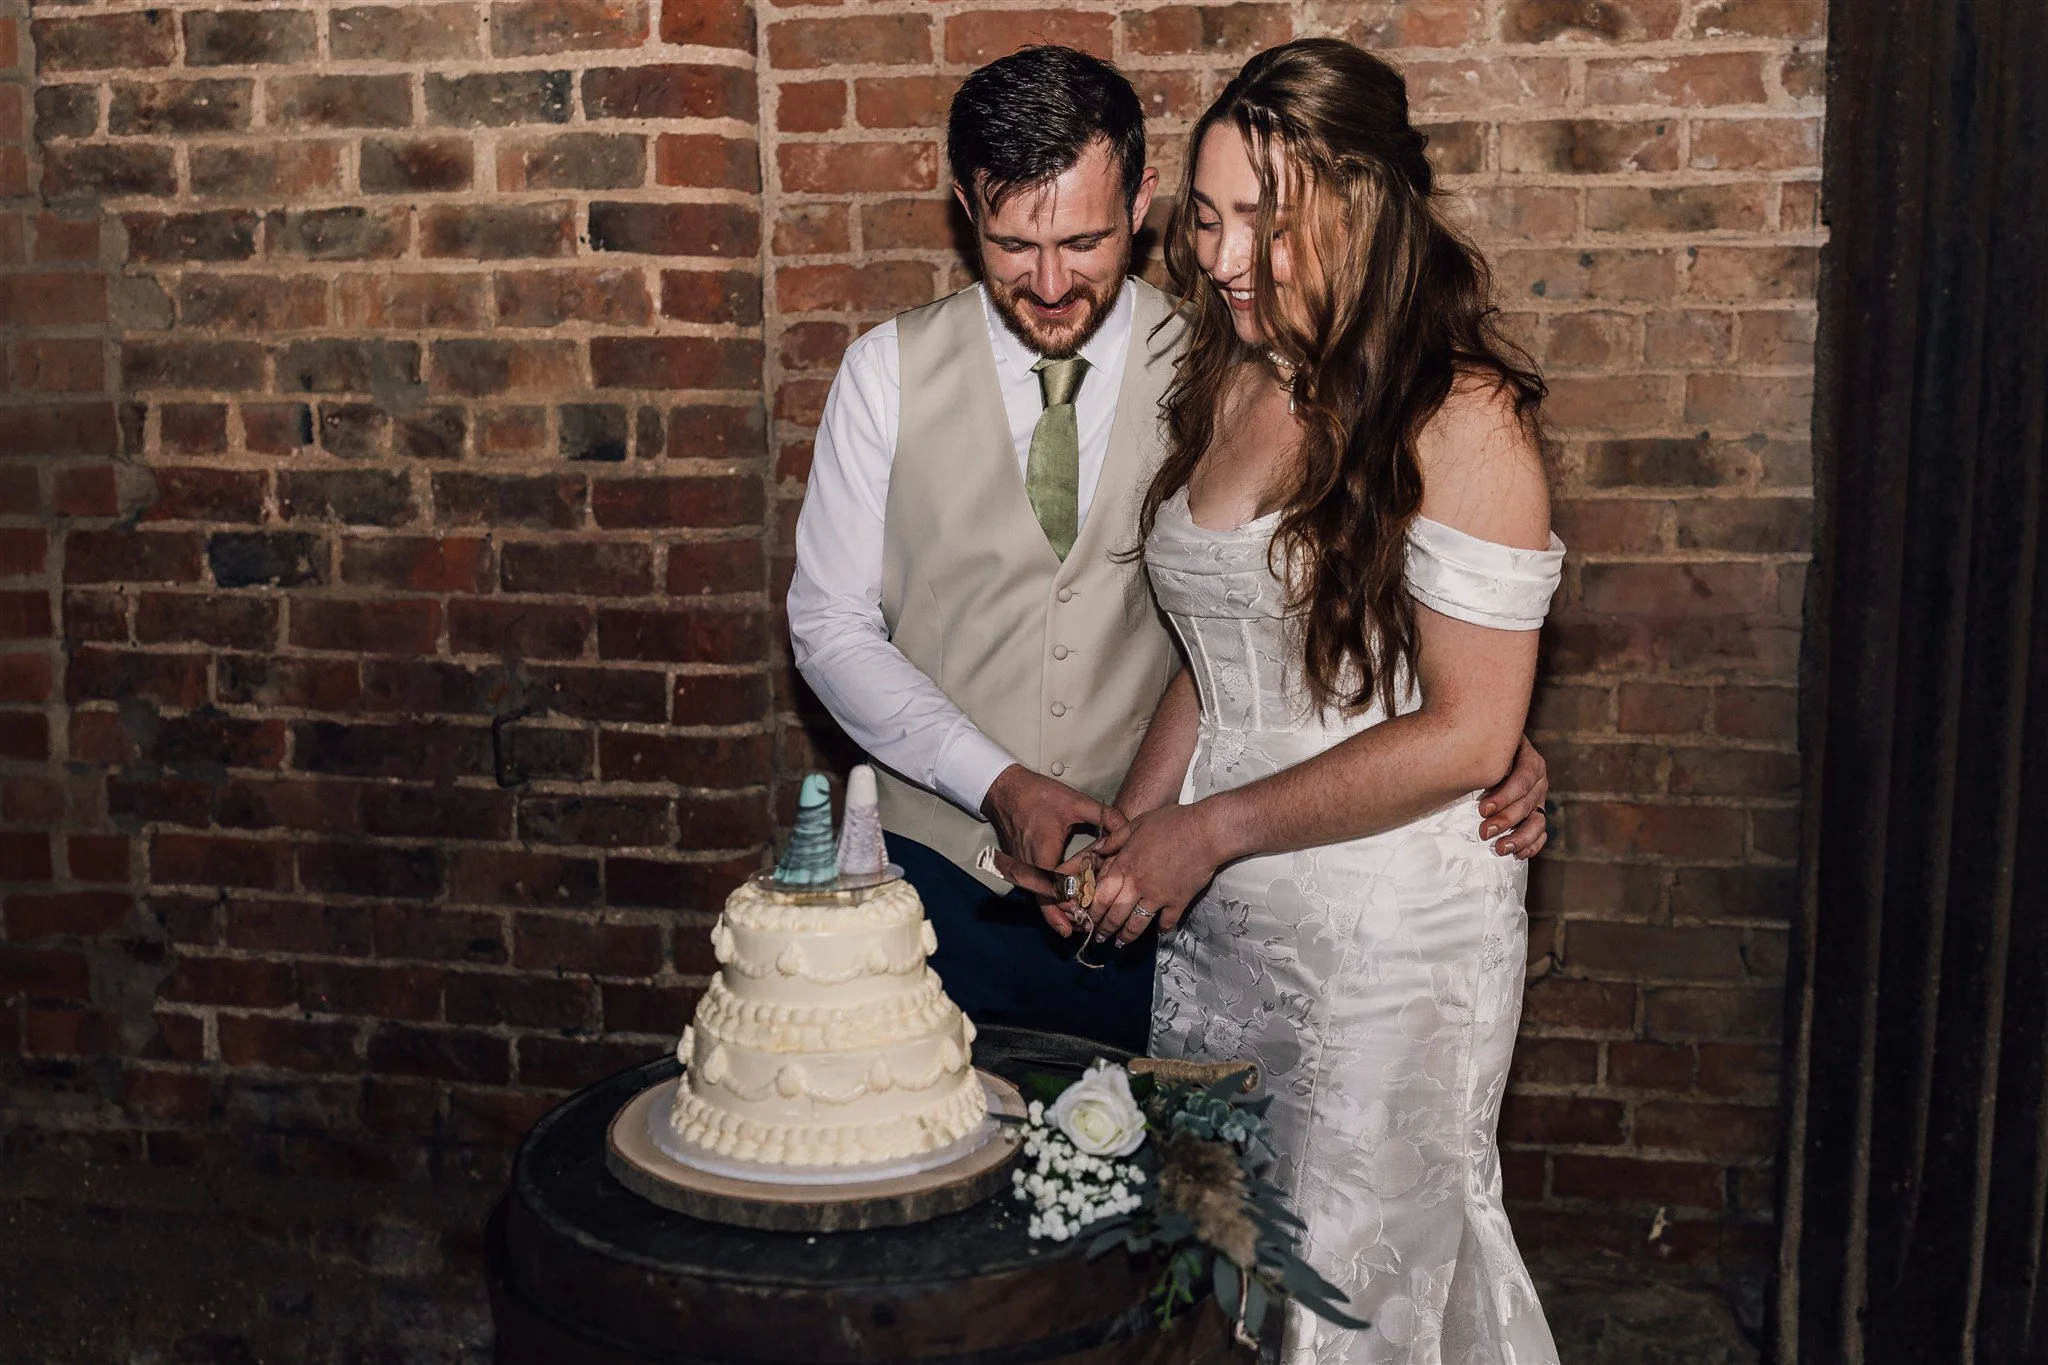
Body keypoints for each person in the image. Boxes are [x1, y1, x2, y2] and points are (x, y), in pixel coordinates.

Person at [787, 45, 1551, 1055]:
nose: (1050, 282)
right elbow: (828, 626)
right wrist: (994, 782)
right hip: (936, 872)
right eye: (1014, 244)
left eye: (1085, 240)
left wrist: (1473, 730)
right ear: (966, 212)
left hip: (1170, 895)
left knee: (1156, 1192)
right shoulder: (885, 372)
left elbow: (1335, 591)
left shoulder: (1227, 360)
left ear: (1142, 202)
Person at [1083, 39, 1563, 1363]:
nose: (1222, 257)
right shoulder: (1232, 371)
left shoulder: (1464, 418)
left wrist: (1209, 830)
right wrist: (1133, 833)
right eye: (1208, 215)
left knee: (1353, 1299)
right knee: (1215, 1280)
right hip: (1219, 924)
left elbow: (1470, 730)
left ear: (1357, 207)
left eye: (1262, 221)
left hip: (1386, 941)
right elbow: (1214, 648)